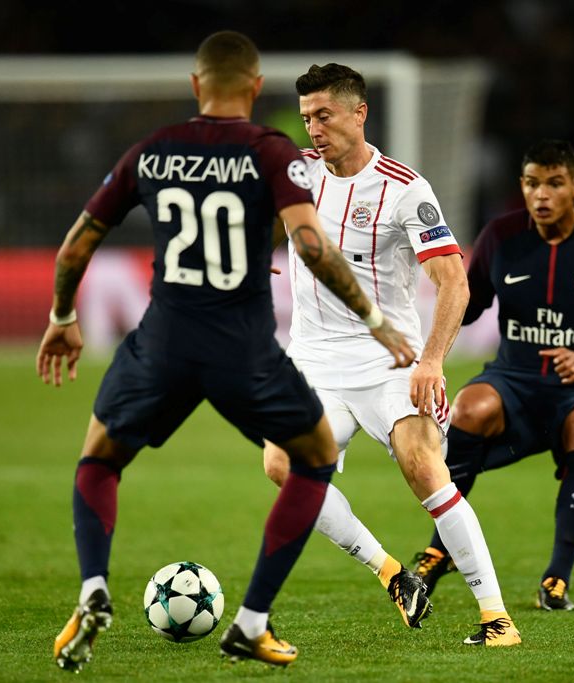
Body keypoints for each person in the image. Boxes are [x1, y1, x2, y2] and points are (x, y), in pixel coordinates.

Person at [37, 32, 415, 672]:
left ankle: (93, 589)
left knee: (98, 461)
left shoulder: (151, 152)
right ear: (254, 85)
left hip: (163, 338)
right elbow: (314, 247)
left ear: (195, 86)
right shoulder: (272, 153)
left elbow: (75, 246)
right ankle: (251, 622)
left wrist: (63, 316)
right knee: (314, 458)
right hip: (242, 348)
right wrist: (375, 318)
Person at [263, 63, 521, 647]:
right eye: (307, 117)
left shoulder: (405, 189)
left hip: (389, 363)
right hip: (313, 361)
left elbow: (454, 283)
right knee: (282, 465)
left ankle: (496, 617)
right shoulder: (297, 175)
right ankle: (392, 574)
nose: (314, 128)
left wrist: (432, 361)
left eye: (324, 115)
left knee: (423, 467)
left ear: (360, 113)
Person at [411, 139, 574, 611]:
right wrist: (426, 346)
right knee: (468, 407)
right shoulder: (500, 236)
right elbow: (470, 303)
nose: (541, 195)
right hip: (513, 379)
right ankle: (440, 550)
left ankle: (557, 578)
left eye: (554, 184)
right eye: (531, 183)